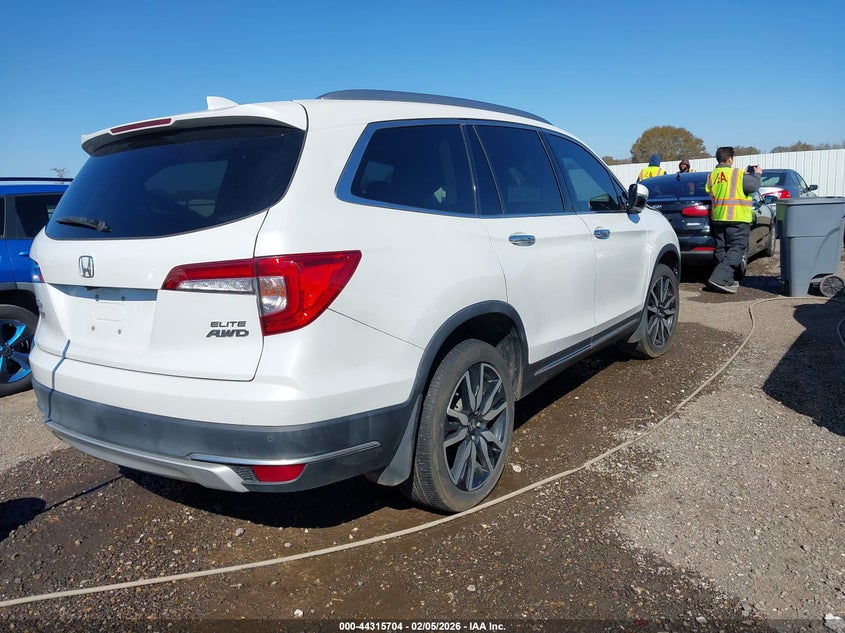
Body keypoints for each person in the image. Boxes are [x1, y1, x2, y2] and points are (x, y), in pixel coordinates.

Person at [705, 146, 762, 294]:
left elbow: (709, 190)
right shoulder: (737, 173)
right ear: (730, 159)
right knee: (737, 248)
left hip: (718, 217)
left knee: (721, 249)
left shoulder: (712, 175)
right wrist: (757, 175)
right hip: (737, 217)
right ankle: (718, 278)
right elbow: (753, 186)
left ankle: (725, 280)